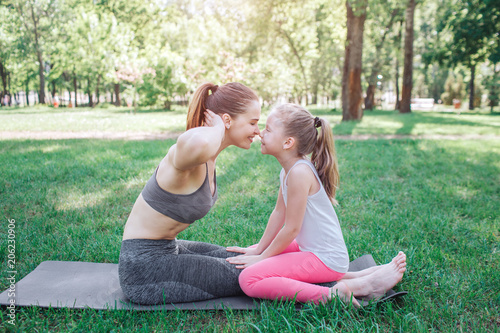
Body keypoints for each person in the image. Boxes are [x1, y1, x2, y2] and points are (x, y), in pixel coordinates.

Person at [227, 103, 406, 306]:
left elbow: (292, 228)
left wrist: (262, 258)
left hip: (325, 258)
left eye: (268, 129)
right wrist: (259, 249)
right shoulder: (288, 170)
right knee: (256, 253)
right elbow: (279, 213)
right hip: (313, 250)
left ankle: (334, 295)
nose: (260, 133)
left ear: (288, 142)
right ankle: (362, 276)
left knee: (249, 279)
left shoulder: (299, 173)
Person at [118, 82, 262, 305]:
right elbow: (197, 141)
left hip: (169, 247)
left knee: (247, 259)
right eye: (253, 123)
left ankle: (322, 271)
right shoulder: (189, 152)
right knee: (255, 273)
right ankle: (331, 289)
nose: (258, 131)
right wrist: (217, 127)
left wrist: (219, 127)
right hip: (144, 270)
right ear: (227, 119)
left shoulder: (209, 156)